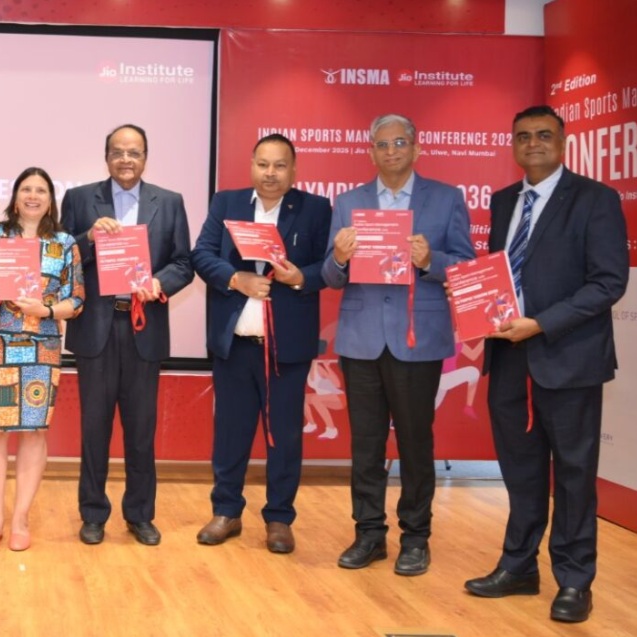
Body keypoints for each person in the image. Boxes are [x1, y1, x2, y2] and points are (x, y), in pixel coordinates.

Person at [463, 105, 628, 623]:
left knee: (574, 476)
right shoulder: (504, 200)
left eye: (543, 135)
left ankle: (575, 580)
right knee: (521, 471)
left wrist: (541, 323)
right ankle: (518, 566)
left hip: (569, 357)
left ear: (562, 142)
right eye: (523, 136)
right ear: (513, 144)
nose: (532, 143)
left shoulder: (596, 199)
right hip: (510, 358)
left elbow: (608, 282)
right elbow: (502, 277)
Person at [321, 113, 474, 575]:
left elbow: (465, 267)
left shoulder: (446, 198)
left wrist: (431, 260)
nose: (391, 151)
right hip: (361, 340)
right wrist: (340, 257)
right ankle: (368, 534)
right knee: (366, 445)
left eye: (400, 142)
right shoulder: (348, 202)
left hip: (417, 340)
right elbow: (330, 275)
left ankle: (415, 537)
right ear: (371, 152)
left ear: (416, 148)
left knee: (414, 442)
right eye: (382, 144)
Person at [191, 134, 333, 553]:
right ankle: (226, 511)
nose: (271, 173)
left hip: (286, 347)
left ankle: (279, 518)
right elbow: (202, 254)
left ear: (294, 170)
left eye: (280, 165)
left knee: (285, 437)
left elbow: (330, 267)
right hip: (235, 343)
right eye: (263, 164)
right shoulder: (227, 203)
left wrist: (300, 277)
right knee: (230, 433)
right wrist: (236, 278)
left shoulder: (315, 209)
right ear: (252, 165)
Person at [61, 124, 194, 546]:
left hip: (143, 327)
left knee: (140, 430)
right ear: (106, 157)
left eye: (134, 152)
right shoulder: (79, 199)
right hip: (95, 329)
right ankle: (93, 513)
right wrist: (88, 238)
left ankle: (140, 514)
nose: (125, 159)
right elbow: (61, 257)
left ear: (145, 158)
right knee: (94, 429)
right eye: (118, 152)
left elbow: (184, 263)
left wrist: (159, 282)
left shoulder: (169, 202)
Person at [0, 167, 85, 551]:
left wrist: (45, 310)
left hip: (41, 345)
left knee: (33, 433)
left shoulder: (64, 243)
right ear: (15, 197)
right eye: (26, 189)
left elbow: (76, 300)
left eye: (41, 190)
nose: (33, 196)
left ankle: (20, 519)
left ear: (51, 200)